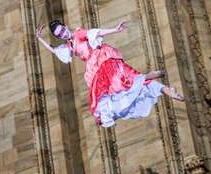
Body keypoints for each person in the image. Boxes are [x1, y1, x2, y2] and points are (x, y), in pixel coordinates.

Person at [36, 20, 185, 127]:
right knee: (116, 91)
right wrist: (40, 39)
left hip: (103, 59)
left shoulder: (79, 34)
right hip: (95, 70)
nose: (63, 34)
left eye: (62, 30)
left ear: (65, 26)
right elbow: (56, 51)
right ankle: (164, 88)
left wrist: (115, 29)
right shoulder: (69, 46)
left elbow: (96, 32)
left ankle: (153, 80)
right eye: (60, 34)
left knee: (123, 81)